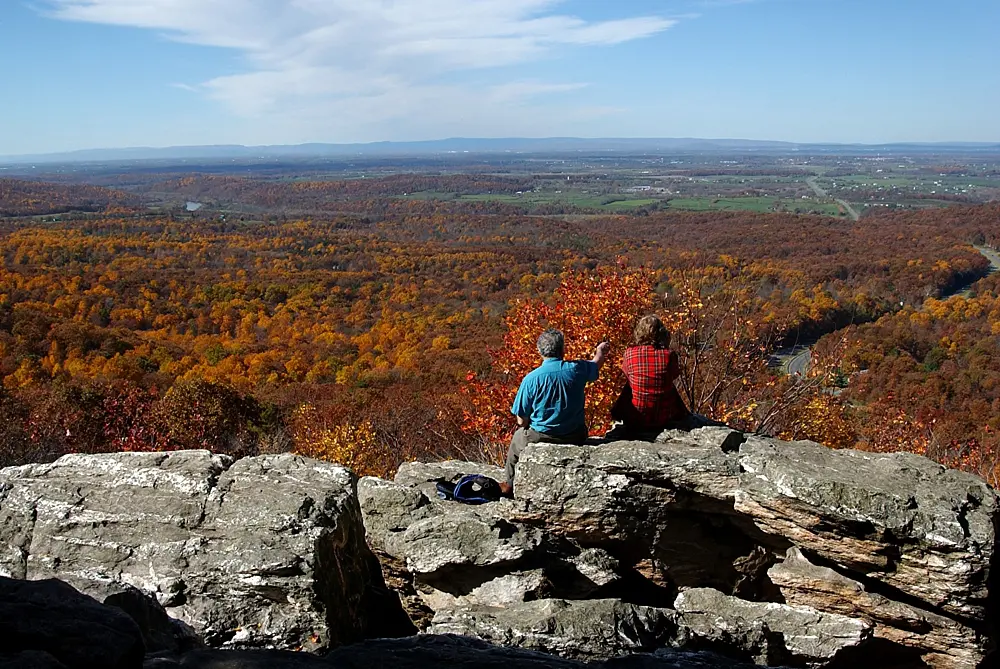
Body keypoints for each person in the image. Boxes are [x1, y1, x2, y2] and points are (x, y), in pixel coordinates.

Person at [501, 329, 610, 495]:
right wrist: (600, 351)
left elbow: (521, 421)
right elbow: (596, 364)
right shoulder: (577, 369)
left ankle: (509, 484)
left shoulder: (531, 379)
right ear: (562, 350)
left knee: (517, 439)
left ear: (539, 351)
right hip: (575, 435)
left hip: (541, 436)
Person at [616, 315, 690, 438]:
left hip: (635, 419)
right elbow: (674, 375)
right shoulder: (669, 355)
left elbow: (627, 374)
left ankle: (617, 416)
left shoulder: (629, 353)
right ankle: (684, 415)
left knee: (630, 386)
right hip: (664, 418)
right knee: (668, 386)